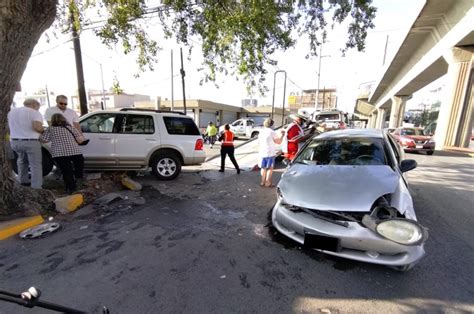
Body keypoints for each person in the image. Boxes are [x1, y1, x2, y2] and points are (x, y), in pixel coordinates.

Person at [40, 113, 86, 194]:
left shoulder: (50, 129)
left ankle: (70, 188)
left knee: (66, 171)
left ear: (53, 120)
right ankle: (79, 179)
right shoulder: (70, 128)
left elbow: (44, 140)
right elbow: (79, 138)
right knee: (79, 165)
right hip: (74, 151)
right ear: (63, 119)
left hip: (59, 153)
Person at [7, 98, 44, 189]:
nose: (37, 109)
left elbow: (8, 127)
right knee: (35, 165)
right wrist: (43, 130)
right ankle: (37, 186)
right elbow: (37, 127)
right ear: (34, 105)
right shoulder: (35, 113)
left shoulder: (11, 113)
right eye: (37, 107)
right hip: (30, 141)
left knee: (22, 161)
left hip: (15, 141)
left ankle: (23, 181)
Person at [258, 118, 284, 187]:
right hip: (270, 152)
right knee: (270, 168)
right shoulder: (272, 132)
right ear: (272, 124)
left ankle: (262, 182)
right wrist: (282, 135)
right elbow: (278, 142)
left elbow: (259, 142)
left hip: (262, 152)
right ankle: (267, 182)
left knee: (263, 168)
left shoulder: (261, 132)